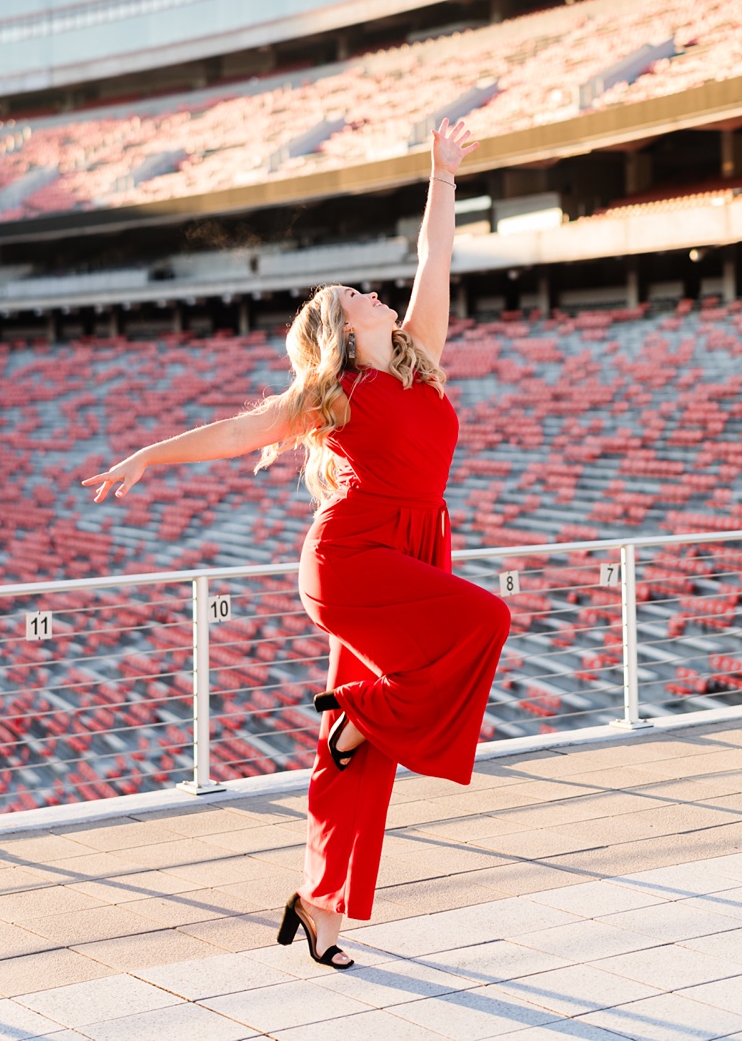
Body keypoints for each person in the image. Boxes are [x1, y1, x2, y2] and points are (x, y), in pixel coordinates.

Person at [83, 117, 511, 970]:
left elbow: (435, 259)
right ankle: (357, 720)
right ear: (344, 329)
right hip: (351, 561)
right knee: (486, 622)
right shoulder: (335, 392)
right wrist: (147, 455)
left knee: (364, 764)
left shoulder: (420, 357)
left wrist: (443, 175)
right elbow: (238, 432)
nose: (377, 295)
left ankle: (321, 906)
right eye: (360, 296)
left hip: (417, 546)